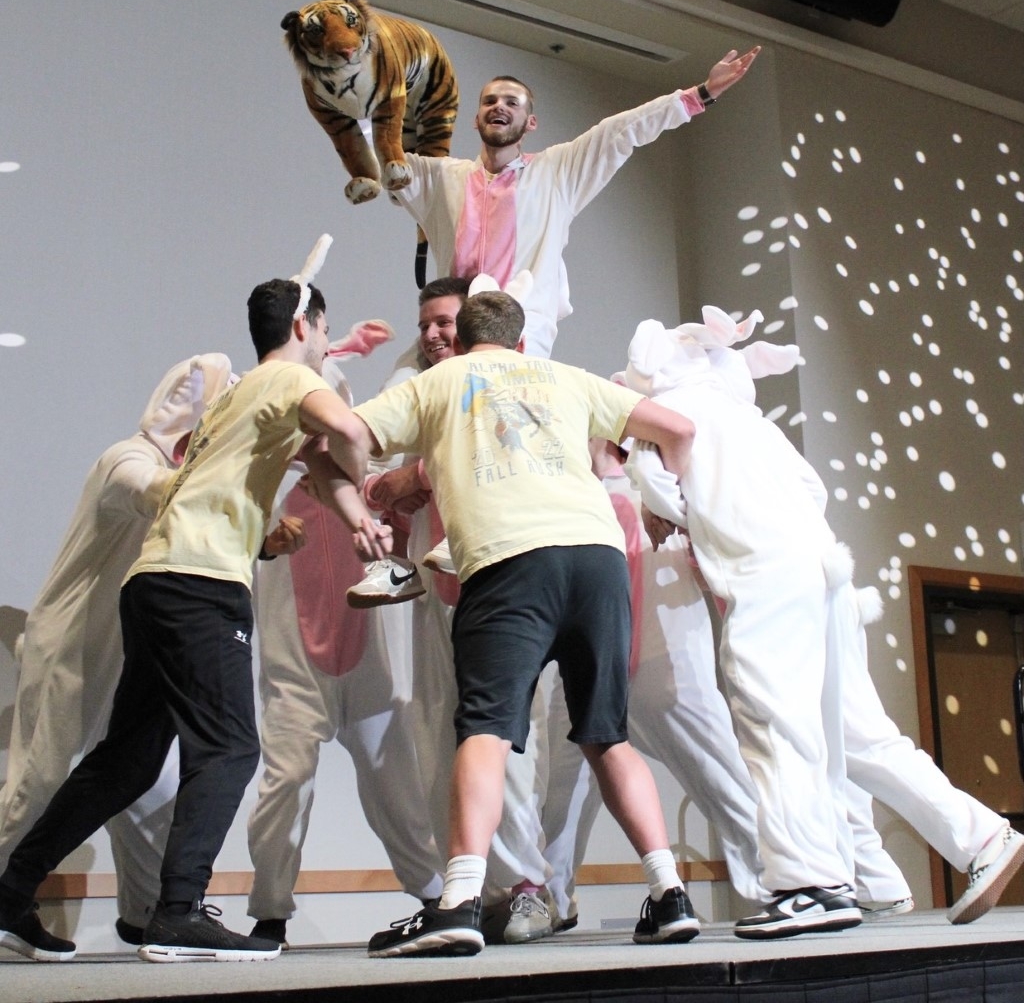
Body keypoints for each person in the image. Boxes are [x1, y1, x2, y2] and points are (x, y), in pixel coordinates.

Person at [0, 244, 389, 963]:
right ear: (304, 327)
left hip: (157, 582)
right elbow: (351, 435)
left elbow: (322, 460)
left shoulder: (243, 396)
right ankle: (178, 912)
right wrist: (369, 471)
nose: (331, 347)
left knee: (128, 759)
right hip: (202, 585)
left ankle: (11, 888)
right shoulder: (279, 385)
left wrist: (359, 515)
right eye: (326, 333)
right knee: (231, 746)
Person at [624, 307, 1024, 938]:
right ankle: (982, 836)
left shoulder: (661, 422)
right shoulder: (752, 422)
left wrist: (691, 521)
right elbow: (815, 491)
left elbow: (660, 495)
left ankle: (809, 884)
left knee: (773, 724)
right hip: (825, 570)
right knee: (861, 735)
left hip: (762, 576)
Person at [335, 287, 702, 956]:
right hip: (597, 562)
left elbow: (353, 433)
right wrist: (676, 500)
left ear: (460, 337)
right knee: (607, 737)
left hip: (511, 562)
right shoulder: (565, 377)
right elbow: (679, 430)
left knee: (484, 730)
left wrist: (363, 492)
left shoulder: (443, 380)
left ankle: (458, 902)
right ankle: (670, 893)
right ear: (521, 339)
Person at [0, 354, 233, 946]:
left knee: (147, 788)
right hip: (71, 647)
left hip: (128, 652)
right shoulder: (127, 459)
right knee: (40, 780)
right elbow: (150, 492)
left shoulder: (181, 472)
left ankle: (147, 912)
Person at [245, 347, 445, 947]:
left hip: (371, 675)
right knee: (285, 783)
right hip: (297, 673)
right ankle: (270, 913)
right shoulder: (267, 500)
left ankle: (436, 899)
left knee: (397, 788)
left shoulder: (371, 496)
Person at [392, 49, 760, 357]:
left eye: (511, 102)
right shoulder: (441, 177)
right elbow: (378, 155)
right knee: (397, 400)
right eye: (489, 101)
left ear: (530, 121)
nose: (498, 106)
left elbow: (621, 131)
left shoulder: (557, 171)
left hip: (522, 330)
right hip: (453, 329)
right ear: (476, 119)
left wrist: (700, 94)